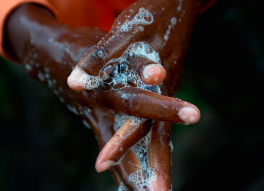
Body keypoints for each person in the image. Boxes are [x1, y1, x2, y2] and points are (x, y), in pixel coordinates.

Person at [1, 0, 216, 190]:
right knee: (56, 154)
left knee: (229, 77)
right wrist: (32, 36)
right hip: (50, 37)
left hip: (189, 15)